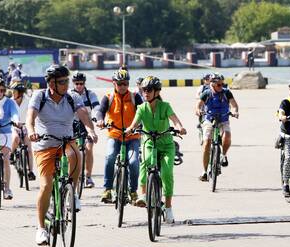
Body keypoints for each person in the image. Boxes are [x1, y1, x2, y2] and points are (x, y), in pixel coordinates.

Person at [26, 65, 98, 245]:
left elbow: (83, 115)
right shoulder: (40, 96)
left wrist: (90, 130)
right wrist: (31, 130)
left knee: (76, 154)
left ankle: (72, 194)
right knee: (46, 186)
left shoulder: (73, 97)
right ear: (51, 83)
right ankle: (41, 228)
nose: (66, 84)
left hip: (66, 141)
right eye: (61, 82)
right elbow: (30, 117)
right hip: (44, 145)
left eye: (67, 80)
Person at [125, 76, 187, 223]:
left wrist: (180, 127)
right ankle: (144, 195)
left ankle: (169, 207)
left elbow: (175, 120)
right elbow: (134, 124)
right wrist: (129, 129)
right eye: (144, 90)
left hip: (166, 145)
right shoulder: (141, 108)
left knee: (166, 173)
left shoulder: (165, 106)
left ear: (157, 92)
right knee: (145, 161)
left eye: (149, 90)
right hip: (149, 143)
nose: (146, 93)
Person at [95, 69, 143, 204]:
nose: (123, 86)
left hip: (132, 136)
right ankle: (107, 189)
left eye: (125, 84)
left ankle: (133, 191)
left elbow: (143, 111)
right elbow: (100, 111)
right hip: (114, 135)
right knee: (110, 156)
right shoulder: (108, 97)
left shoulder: (135, 97)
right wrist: (100, 120)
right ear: (114, 83)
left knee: (133, 163)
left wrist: (142, 125)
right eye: (120, 83)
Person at [195, 73, 239, 182]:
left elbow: (234, 105)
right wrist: (198, 111)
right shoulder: (206, 93)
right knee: (206, 143)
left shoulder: (226, 92)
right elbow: (198, 105)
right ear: (212, 84)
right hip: (209, 119)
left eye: (222, 84)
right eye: (219, 85)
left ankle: (223, 156)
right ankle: (204, 172)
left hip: (224, 119)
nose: (221, 86)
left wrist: (235, 111)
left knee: (227, 135)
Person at [69, 71, 100, 188]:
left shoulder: (90, 94)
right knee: (71, 151)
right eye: (76, 83)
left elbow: (96, 106)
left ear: (84, 83)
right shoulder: (69, 94)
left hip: (86, 123)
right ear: (73, 83)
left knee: (88, 149)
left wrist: (96, 116)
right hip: (72, 124)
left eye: (81, 83)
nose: (79, 86)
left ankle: (88, 176)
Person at [9, 82, 36, 180]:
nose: (12, 93)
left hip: (25, 126)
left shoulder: (29, 101)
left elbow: (33, 113)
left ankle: (30, 171)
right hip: (13, 126)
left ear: (20, 93)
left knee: (29, 148)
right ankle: (11, 155)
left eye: (14, 91)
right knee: (15, 138)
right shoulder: (10, 101)